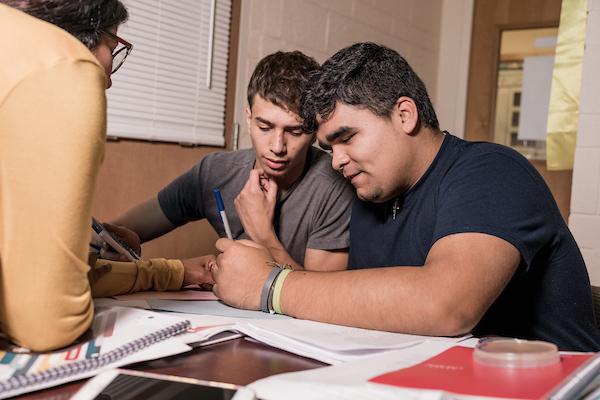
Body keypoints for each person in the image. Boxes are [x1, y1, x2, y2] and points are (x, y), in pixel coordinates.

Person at [211, 42, 600, 352]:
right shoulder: (369, 198)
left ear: (404, 114)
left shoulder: (493, 172)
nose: (337, 162)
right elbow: (351, 303)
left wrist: (268, 286)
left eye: (347, 138)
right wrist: (266, 254)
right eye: (330, 148)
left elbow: (447, 305)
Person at [0, 0, 209, 352]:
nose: (108, 80)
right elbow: (48, 323)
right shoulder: (63, 63)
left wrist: (175, 272)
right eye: (114, 49)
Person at [109, 51, 353, 272]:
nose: (277, 147)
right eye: (264, 126)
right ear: (248, 118)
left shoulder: (334, 186)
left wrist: (263, 236)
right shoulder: (216, 172)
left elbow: (321, 297)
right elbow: (119, 232)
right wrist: (109, 241)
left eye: (295, 131)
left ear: (314, 131)